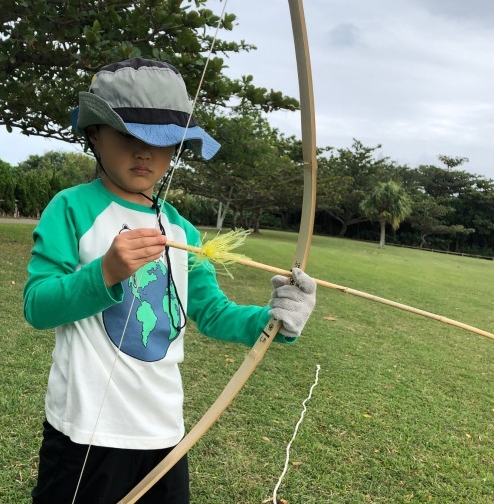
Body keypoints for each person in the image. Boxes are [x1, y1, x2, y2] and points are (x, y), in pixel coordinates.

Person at [23, 58, 317, 504]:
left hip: (163, 430)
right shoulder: (71, 208)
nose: (144, 152)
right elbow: (38, 306)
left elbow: (211, 313)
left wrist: (275, 319)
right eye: (128, 135)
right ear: (94, 136)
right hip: (85, 431)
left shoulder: (182, 231)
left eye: (161, 142)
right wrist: (105, 273)